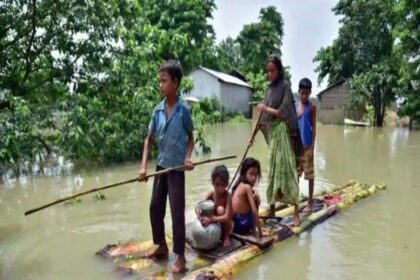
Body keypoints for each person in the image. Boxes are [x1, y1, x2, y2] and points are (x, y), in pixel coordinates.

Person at [138, 60, 194, 273]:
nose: (160, 85)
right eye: (159, 81)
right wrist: (143, 167)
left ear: (175, 83)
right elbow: (148, 140)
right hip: (161, 168)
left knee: (177, 213)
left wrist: (188, 158)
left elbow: (191, 137)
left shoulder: (183, 111)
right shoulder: (157, 110)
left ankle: (180, 256)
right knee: (155, 208)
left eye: (164, 81)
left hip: (177, 170)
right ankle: (161, 245)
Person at [256, 55, 303, 226]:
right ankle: (273, 208)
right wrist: (251, 137)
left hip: (283, 132)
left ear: (279, 70)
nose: (269, 74)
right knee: (273, 170)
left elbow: (283, 111)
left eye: (272, 70)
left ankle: (296, 212)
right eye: (267, 71)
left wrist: (266, 108)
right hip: (273, 134)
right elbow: (262, 116)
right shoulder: (268, 90)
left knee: (289, 170)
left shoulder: (285, 86)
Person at [196, 165, 233, 247]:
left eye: (223, 185)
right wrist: (200, 217)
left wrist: (211, 219)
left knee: (220, 210)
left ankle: (226, 236)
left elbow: (227, 217)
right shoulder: (211, 194)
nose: (220, 188)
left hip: (225, 225)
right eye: (217, 184)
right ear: (212, 183)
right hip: (214, 223)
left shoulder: (228, 196)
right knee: (204, 209)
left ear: (227, 184)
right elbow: (198, 206)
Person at [296, 78, 316, 212]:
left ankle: (309, 202)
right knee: (295, 177)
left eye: (306, 94)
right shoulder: (294, 106)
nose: (304, 96)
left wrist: (312, 147)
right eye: (302, 93)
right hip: (296, 148)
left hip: (307, 148)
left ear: (310, 93)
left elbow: (314, 128)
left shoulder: (312, 108)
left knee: (310, 176)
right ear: (298, 92)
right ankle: (295, 204)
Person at [231, 158, 263, 237]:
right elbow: (254, 210)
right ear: (244, 173)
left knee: (255, 196)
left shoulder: (239, 184)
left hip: (234, 223)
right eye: (251, 174)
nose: (254, 178)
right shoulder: (247, 187)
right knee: (255, 201)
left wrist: (257, 195)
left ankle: (253, 227)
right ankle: (254, 230)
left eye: (255, 175)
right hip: (241, 225)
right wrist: (260, 232)